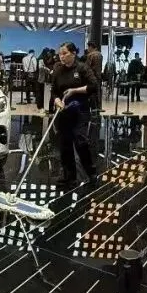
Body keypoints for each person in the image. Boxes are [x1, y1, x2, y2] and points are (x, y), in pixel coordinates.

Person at [50, 42, 99, 187]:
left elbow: (93, 86)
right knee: (65, 144)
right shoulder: (58, 70)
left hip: (80, 110)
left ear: (73, 53)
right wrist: (57, 100)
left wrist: (74, 91)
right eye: (60, 54)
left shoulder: (82, 68)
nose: (61, 57)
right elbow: (54, 90)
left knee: (80, 141)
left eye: (65, 53)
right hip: (63, 111)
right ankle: (69, 177)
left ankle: (91, 173)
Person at [85, 41, 103, 111]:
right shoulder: (100, 54)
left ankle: (93, 109)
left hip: (92, 77)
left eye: (88, 47)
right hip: (98, 76)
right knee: (98, 93)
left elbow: (87, 67)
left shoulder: (90, 55)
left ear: (90, 47)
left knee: (91, 93)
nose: (88, 49)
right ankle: (98, 108)